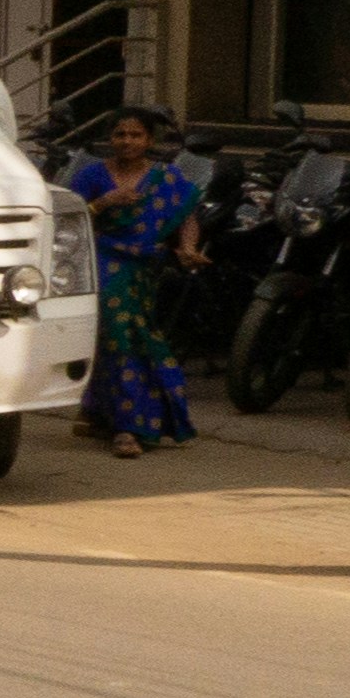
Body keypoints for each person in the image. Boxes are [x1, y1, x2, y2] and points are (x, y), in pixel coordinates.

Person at [67, 106, 206, 459]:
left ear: (149, 140)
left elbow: (186, 215)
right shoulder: (91, 176)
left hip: (144, 267)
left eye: (135, 135)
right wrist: (102, 203)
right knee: (120, 335)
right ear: (110, 138)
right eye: (120, 134)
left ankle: (99, 410)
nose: (127, 141)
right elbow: (66, 220)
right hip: (104, 261)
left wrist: (187, 248)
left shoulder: (166, 177)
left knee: (127, 338)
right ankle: (128, 427)